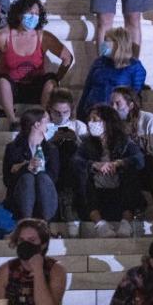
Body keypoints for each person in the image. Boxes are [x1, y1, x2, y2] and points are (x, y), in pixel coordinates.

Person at [0, 0, 73, 127]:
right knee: (2, 80)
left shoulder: (43, 36)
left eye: (37, 14)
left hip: (36, 88)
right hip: (11, 88)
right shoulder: (4, 36)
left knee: (50, 80)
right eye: (30, 13)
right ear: (19, 14)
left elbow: (67, 57)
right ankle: (13, 120)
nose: (33, 17)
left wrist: (57, 79)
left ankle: (42, 118)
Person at [73, 104, 146, 238]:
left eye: (95, 120)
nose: (91, 123)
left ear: (107, 122)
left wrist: (119, 163)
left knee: (131, 171)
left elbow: (139, 159)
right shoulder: (86, 143)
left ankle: (126, 223)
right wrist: (94, 164)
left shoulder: (124, 141)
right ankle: (100, 224)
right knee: (82, 174)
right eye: (89, 120)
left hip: (119, 191)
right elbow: (76, 161)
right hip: (96, 192)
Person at [0, 218, 67, 305]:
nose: (25, 244)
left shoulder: (55, 270)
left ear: (43, 244)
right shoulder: (5, 271)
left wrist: (38, 271)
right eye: (21, 240)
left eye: (31, 240)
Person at [78, 27, 147, 120]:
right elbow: (87, 89)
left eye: (107, 41)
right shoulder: (99, 62)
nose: (103, 44)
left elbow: (135, 95)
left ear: (118, 44)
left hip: (118, 115)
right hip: (93, 113)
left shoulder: (134, 66)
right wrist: (80, 114)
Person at [3, 108, 59, 222]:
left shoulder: (51, 149)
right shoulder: (13, 148)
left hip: (45, 197)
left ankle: (44, 222)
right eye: (47, 120)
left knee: (42, 178)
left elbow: (54, 177)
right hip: (19, 198)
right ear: (37, 124)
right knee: (27, 178)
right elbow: (7, 180)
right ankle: (26, 221)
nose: (50, 124)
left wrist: (39, 169)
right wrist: (26, 167)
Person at [43, 89, 88, 224]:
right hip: (51, 165)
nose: (61, 117)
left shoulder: (78, 125)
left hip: (73, 165)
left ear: (71, 110)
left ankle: (68, 199)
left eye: (65, 112)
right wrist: (52, 141)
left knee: (69, 147)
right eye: (57, 113)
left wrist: (76, 140)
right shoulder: (45, 127)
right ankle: (65, 202)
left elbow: (87, 151)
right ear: (50, 109)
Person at [110, 86, 153, 176]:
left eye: (118, 103)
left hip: (152, 171)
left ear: (131, 105)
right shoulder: (114, 124)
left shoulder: (149, 121)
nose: (113, 108)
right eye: (111, 104)